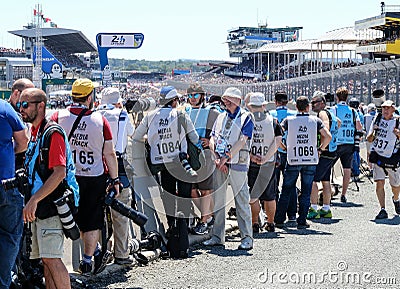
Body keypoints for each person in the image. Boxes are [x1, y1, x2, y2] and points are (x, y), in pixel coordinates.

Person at [51, 78, 120, 275]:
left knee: (69, 216)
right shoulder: (100, 120)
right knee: (91, 219)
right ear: (90, 97)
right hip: (93, 176)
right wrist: (115, 180)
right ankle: (88, 259)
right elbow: (109, 153)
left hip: (65, 176)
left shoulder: (58, 116)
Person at [19, 88, 78, 288]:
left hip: (50, 206)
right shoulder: (36, 133)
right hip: (41, 207)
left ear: (41, 106)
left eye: (25, 104)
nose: (21, 109)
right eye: (20, 104)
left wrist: (34, 200)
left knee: (52, 259)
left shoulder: (52, 133)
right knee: (46, 260)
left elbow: (59, 173)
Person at [133, 86, 199, 235]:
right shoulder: (181, 115)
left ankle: (171, 225)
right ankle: (183, 226)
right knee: (184, 194)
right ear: (174, 100)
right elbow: (194, 138)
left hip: (161, 162)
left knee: (167, 194)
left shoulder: (151, 116)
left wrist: (152, 139)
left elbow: (137, 136)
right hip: (181, 161)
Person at [203, 87, 254, 250]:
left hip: (237, 163)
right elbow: (212, 138)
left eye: (230, 100)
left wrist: (225, 158)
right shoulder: (220, 117)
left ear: (238, 101)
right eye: (225, 99)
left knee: (242, 201)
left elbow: (242, 141)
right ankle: (217, 236)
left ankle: (246, 237)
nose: (227, 102)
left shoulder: (246, 117)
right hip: (220, 163)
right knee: (218, 201)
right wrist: (217, 158)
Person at [275, 96, 331, 229]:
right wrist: (320, 149)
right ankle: (302, 220)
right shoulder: (315, 120)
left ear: (296, 107)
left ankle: (280, 219)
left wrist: (283, 147)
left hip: (293, 157)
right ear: (308, 107)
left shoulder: (289, 120)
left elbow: (277, 133)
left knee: (287, 189)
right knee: (306, 191)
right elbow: (328, 136)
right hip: (310, 159)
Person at [97, 87, 135, 265]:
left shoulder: (94, 114)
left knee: (98, 214)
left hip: (96, 163)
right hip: (118, 163)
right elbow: (132, 133)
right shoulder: (121, 114)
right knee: (121, 212)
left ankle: (99, 253)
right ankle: (122, 253)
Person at [184, 83, 219, 235]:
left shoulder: (212, 111)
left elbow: (219, 131)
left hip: (205, 154)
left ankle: (204, 220)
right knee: (191, 190)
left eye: (195, 95)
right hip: (190, 155)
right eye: (190, 95)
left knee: (205, 190)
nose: (192, 98)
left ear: (202, 96)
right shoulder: (185, 110)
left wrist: (210, 140)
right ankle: (209, 216)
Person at [0, 99, 28, 289]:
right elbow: (23, 141)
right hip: (6, 183)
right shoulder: (4, 108)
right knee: (10, 236)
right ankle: (3, 282)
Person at [247, 92, 282, 233]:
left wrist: (252, 156)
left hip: (252, 162)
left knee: (253, 195)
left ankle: (255, 222)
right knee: (270, 195)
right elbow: (278, 141)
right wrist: (267, 157)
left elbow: (242, 142)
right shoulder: (273, 121)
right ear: (263, 105)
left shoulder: (247, 120)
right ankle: (270, 222)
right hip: (268, 163)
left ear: (250, 106)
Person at [308, 91, 340, 219]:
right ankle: (326, 208)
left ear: (321, 103)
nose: (312, 105)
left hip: (325, 151)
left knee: (313, 180)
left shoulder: (322, 113)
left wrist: (321, 148)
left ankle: (314, 208)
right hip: (332, 151)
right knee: (326, 180)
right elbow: (339, 123)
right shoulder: (331, 112)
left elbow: (326, 130)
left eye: (314, 102)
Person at [366, 100, 400, 219]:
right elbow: (369, 139)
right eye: (383, 108)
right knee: (379, 182)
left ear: (393, 110)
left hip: (392, 158)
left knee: (396, 186)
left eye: (388, 108)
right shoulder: (377, 119)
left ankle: (396, 199)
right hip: (378, 156)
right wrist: (373, 131)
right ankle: (382, 209)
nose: (385, 110)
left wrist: (398, 134)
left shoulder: (398, 121)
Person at [269, 91, 297, 221]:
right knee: (290, 184)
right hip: (291, 152)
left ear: (275, 102)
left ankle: (274, 214)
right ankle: (291, 214)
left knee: (274, 184)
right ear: (287, 102)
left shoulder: (270, 115)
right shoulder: (294, 115)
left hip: (275, 152)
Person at [331, 87, 362, 203]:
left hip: (336, 143)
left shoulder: (334, 109)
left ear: (337, 97)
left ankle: (328, 192)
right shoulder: (353, 111)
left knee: (327, 167)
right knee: (347, 169)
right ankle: (343, 194)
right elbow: (359, 127)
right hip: (349, 143)